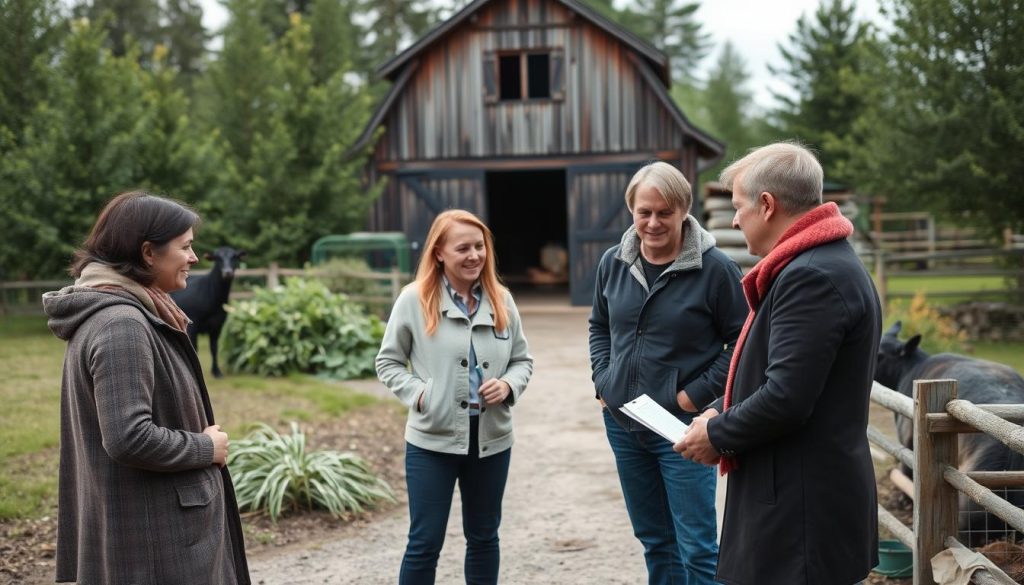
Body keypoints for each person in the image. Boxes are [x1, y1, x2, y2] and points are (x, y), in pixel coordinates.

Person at [675, 142, 882, 585]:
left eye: (738, 206)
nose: (733, 219)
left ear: (767, 205)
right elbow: (773, 370)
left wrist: (716, 433)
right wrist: (720, 406)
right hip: (801, 501)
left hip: (801, 511)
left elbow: (787, 396)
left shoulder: (812, 276)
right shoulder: (818, 263)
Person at [42, 191, 250, 584]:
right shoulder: (122, 325)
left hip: (148, 532)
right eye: (185, 246)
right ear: (148, 253)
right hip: (158, 543)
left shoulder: (125, 312)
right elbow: (128, 437)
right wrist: (207, 447)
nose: (193, 257)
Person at [589, 161, 747, 584]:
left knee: (696, 547)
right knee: (655, 540)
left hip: (683, 430)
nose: (653, 223)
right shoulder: (613, 263)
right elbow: (599, 325)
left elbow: (742, 344)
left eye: (664, 212)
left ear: (684, 211)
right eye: (644, 212)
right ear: (631, 211)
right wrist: (603, 381)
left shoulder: (715, 270)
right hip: (624, 425)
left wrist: (692, 396)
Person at [376, 209, 534, 585]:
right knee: (424, 542)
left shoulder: (502, 300)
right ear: (439, 253)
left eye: (479, 246)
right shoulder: (414, 300)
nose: (474, 255)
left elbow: (522, 360)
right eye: (463, 248)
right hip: (432, 441)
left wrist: (509, 385)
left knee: (483, 537)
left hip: (491, 441)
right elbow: (388, 362)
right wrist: (422, 395)